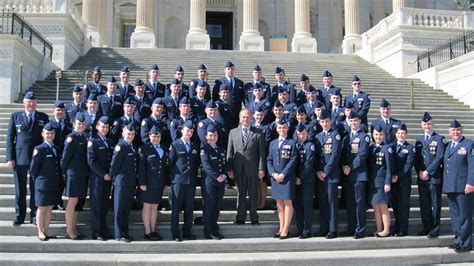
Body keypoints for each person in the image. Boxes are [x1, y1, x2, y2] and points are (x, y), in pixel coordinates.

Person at [7, 91, 49, 226]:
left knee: (35, 188)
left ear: (36, 103)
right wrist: (10, 157)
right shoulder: (15, 117)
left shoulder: (43, 117)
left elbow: (46, 138)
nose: (31, 104)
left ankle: (34, 215)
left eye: (33, 102)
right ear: (24, 103)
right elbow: (10, 138)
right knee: (20, 189)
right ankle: (20, 216)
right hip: (20, 158)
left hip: (37, 159)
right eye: (28, 102)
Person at [227, 109, 266, 225]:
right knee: (241, 194)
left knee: (253, 194)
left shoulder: (258, 133)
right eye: (243, 117)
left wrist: (261, 168)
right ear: (240, 118)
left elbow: (262, 153)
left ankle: (254, 218)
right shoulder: (233, 132)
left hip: (253, 169)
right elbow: (230, 151)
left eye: (248, 117)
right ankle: (240, 217)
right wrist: (230, 169)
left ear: (251, 118)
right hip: (238, 169)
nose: (245, 119)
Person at [443, 119, 473, 253]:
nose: (455, 132)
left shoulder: (468, 144)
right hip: (451, 186)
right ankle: (458, 240)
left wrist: (470, 182)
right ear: (449, 132)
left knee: (465, 215)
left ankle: (466, 243)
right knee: (455, 215)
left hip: (463, 186)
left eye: (458, 130)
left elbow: (472, 166)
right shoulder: (449, 146)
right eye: (453, 130)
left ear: (462, 131)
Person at [414, 112, 444, 238]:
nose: (427, 126)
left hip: (434, 178)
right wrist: (420, 171)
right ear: (422, 125)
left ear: (433, 124)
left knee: (435, 204)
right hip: (422, 178)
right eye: (425, 124)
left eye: (429, 124)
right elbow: (417, 159)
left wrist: (427, 171)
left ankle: (435, 228)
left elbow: (439, 157)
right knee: (424, 204)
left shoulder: (439, 139)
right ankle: (426, 226)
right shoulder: (419, 140)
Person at [29, 123, 62, 241]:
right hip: (42, 184)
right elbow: (33, 169)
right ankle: (40, 232)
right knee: (42, 208)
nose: (50, 135)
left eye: (52, 133)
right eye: (47, 133)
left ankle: (46, 231)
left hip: (53, 183)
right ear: (43, 134)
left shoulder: (56, 149)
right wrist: (39, 181)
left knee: (49, 208)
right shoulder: (39, 149)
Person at [168, 121, 200, 242]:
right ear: (182, 130)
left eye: (192, 131)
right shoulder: (175, 145)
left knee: (189, 208)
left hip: (190, 181)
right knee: (176, 208)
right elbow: (170, 163)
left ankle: (187, 231)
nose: (190, 133)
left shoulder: (194, 146)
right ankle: (175, 233)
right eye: (188, 131)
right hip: (178, 181)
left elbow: (196, 163)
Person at [341, 111, 370, 239]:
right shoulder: (347, 138)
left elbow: (362, 155)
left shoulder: (364, 137)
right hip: (348, 175)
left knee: (359, 202)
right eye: (351, 121)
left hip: (358, 175)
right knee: (350, 203)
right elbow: (342, 155)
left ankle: (360, 228)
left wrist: (350, 168)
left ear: (360, 121)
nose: (353, 123)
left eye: (355, 121)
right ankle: (351, 227)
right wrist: (343, 166)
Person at [267, 117, 297, 239]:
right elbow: (269, 160)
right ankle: (281, 227)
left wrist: (283, 174)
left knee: (287, 202)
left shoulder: (292, 142)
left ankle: (286, 229)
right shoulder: (273, 143)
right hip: (275, 178)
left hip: (287, 177)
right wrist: (273, 174)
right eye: (280, 127)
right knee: (279, 203)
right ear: (277, 129)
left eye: (284, 127)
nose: (282, 129)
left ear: (288, 128)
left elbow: (293, 160)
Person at [61, 113, 89, 240]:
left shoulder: (83, 137)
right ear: (74, 124)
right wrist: (63, 173)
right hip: (73, 174)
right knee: (72, 202)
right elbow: (65, 158)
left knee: (77, 203)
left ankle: (73, 229)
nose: (81, 126)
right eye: (79, 124)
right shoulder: (71, 138)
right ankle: (69, 230)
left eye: (83, 124)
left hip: (82, 174)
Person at [138, 126, 168, 241]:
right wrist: (142, 182)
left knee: (155, 207)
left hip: (158, 183)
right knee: (147, 206)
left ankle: (153, 230)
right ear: (149, 136)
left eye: (158, 136)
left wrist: (165, 181)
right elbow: (141, 167)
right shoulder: (144, 148)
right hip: (148, 183)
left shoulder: (164, 148)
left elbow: (165, 167)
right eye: (154, 136)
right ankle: (147, 231)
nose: (156, 138)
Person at [315, 110, 342, 239]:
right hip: (320, 176)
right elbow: (315, 157)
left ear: (331, 121)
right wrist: (318, 171)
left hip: (330, 175)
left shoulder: (335, 135)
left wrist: (325, 171)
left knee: (331, 203)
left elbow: (335, 155)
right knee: (322, 203)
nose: (325, 123)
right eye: (322, 121)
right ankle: (324, 228)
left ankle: (333, 229)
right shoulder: (318, 136)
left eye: (327, 121)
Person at [87, 116, 114, 241]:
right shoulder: (93, 141)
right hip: (98, 179)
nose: (104, 129)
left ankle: (104, 229)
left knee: (104, 206)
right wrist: (104, 174)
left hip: (108, 179)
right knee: (96, 205)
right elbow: (91, 162)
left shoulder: (110, 142)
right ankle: (96, 231)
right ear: (97, 126)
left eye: (107, 127)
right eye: (102, 126)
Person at [110, 123, 138, 242]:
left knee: (126, 209)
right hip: (121, 182)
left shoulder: (132, 146)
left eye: (132, 134)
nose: (130, 136)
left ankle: (125, 233)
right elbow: (114, 165)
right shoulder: (120, 146)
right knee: (119, 208)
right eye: (128, 133)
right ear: (123, 133)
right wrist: (113, 179)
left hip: (130, 182)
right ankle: (118, 234)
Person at [201, 125, 228, 240]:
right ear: (206, 136)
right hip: (210, 183)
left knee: (217, 206)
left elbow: (225, 164)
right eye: (210, 135)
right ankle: (208, 230)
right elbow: (206, 166)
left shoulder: (221, 150)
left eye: (215, 135)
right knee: (209, 206)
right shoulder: (204, 150)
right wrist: (217, 176)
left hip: (220, 182)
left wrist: (224, 174)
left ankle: (214, 227)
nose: (213, 137)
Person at [368, 124, 394, 238]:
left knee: (383, 207)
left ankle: (386, 229)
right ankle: (379, 229)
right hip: (373, 182)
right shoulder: (371, 148)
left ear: (384, 135)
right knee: (375, 207)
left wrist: (387, 182)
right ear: (373, 135)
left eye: (380, 134)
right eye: (376, 134)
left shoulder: (387, 148)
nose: (378, 136)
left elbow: (389, 167)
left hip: (382, 182)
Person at [294, 124, 318, 239]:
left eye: (303, 133)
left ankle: (307, 229)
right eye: (299, 134)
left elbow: (308, 164)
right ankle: (300, 229)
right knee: (298, 206)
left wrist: (300, 177)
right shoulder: (295, 145)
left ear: (307, 133)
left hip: (307, 180)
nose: (301, 135)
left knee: (307, 206)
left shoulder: (310, 146)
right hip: (296, 180)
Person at [391, 124, 415, 237]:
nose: (400, 135)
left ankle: (403, 229)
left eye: (403, 133)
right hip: (392, 180)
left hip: (403, 180)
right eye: (399, 133)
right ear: (396, 134)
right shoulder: (391, 146)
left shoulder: (410, 148)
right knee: (395, 204)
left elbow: (408, 165)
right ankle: (397, 226)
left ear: (406, 135)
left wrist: (398, 176)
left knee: (403, 205)